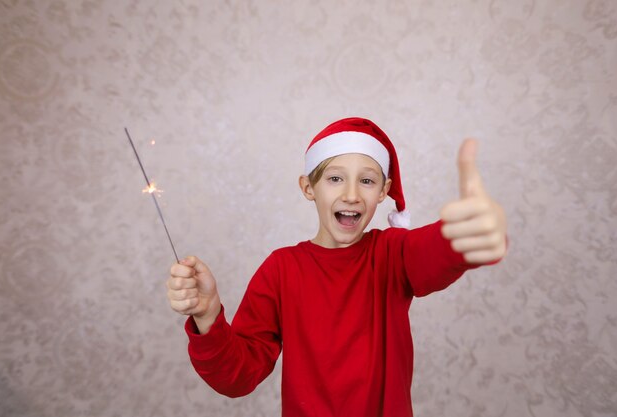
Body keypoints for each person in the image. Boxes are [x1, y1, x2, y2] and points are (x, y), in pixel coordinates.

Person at [167, 117, 507, 417]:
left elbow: (434, 250)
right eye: (334, 179)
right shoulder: (281, 270)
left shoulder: (392, 253)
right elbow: (237, 377)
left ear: (384, 192)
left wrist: (469, 233)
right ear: (308, 188)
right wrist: (208, 315)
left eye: (367, 181)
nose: (351, 195)